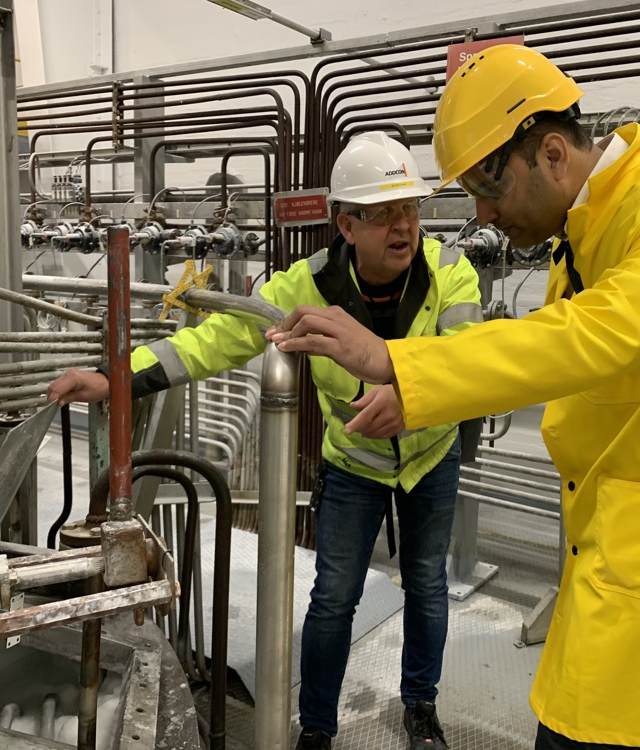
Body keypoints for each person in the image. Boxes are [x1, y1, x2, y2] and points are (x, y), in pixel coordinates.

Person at [266, 45, 640, 750]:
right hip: (611, 560)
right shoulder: (588, 235)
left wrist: (399, 367)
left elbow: (583, 339)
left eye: (488, 189)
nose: (480, 213)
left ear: (553, 155)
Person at [47, 131, 483, 750]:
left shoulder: (451, 273)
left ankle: (421, 708)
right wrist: (117, 378)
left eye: (409, 208)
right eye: (382, 212)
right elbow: (216, 338)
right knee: (333, 599)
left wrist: (416, 397)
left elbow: (468, 358)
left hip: (430, 459)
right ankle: (318, 728)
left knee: (428, 587)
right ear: (345, 225)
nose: (403, 225)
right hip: (354, 465)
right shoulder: (302, 288)